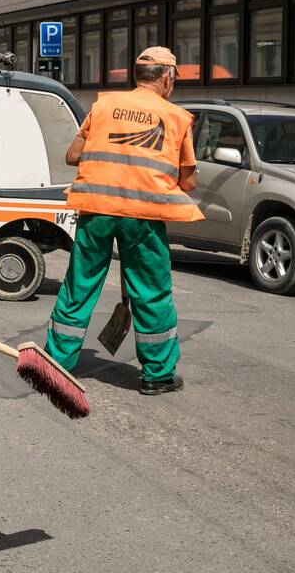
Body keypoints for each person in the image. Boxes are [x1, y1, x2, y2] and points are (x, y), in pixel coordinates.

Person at [46, 46, 202, 395]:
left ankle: (56, 364)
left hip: (97, 210)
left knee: (79, 287)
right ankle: (157, 375)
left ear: (136, 76)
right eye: (173, 78)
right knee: (151, 292)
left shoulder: (103, 107)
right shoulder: (176, 118)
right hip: (142, 218)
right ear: (167, 77)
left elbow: (72, 155)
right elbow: (189, 182)